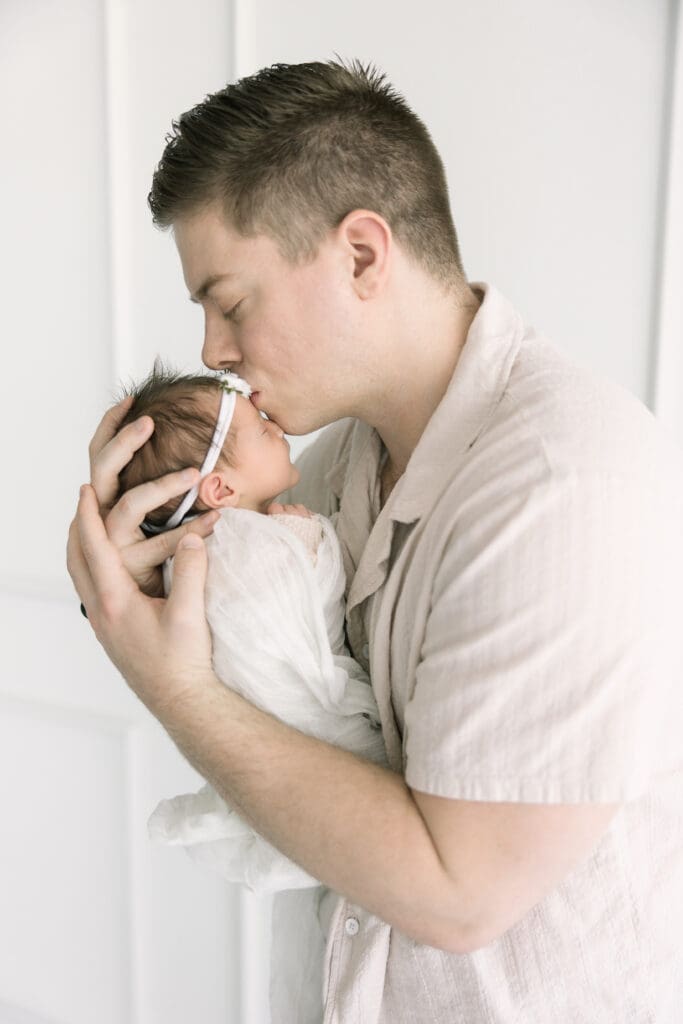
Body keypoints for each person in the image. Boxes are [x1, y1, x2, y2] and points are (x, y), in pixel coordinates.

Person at [67, 58, 683, 1022]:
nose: (212, 352)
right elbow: (247, 650)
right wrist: (128, 577)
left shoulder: (562, 481)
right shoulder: (338, 463)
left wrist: (167, 682)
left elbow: (457, 892)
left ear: (361, 255)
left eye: (229, 302)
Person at [111, 361, 387, 894]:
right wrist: (311, 538)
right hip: (298, 709)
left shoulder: (198, 553)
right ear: (218, 488)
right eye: (263, 429)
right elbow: (313, 604)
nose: (278, 429)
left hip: (263, 732)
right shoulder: (240, 545)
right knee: (355, 757)